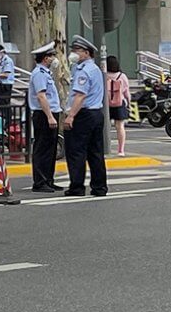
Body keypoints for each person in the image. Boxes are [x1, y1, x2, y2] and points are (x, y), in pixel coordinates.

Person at [62, 35, 107, 197]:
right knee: (95, 152)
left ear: (86, 53)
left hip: (84, 115)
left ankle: (77, 186)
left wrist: (71, 116)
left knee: (76, 152)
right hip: (96, 114)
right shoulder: (93, 69)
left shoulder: (84, 71)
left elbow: (80, 96)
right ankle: (99, 186)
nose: (73, 53)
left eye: (77, 50)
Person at [27, 42, 61, 193]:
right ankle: (40, 181)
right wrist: (50, 117)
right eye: (52, 56)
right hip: (44, 114)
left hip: (51, 112)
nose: (54, 58)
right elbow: (41, 96)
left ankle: (48, 179)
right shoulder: (39, 74)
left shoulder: (46, 73)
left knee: (51, 149)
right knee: (42, 148)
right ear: (45, 58)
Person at [106, 55, 131, 156]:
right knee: (120, 127)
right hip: (119, 103)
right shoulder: (122, 76)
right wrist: (129, 103)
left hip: (106, 105)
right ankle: (121, 150)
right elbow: (126, 92)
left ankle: (105, 147)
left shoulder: (104, 75)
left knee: (105, 127)